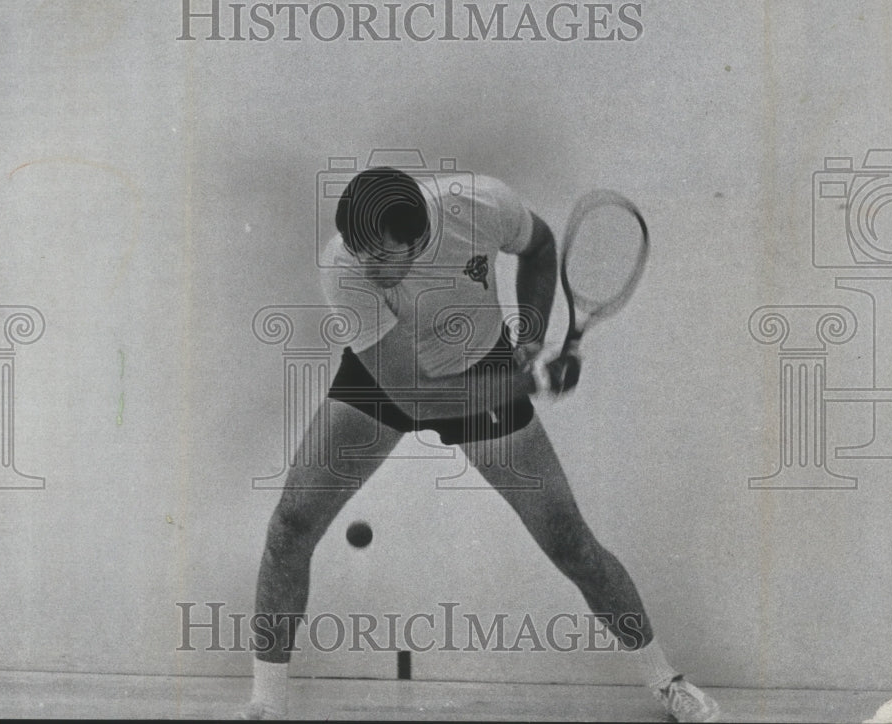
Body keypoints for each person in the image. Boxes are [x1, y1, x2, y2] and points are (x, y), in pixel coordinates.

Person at [237, 166, 720, 723]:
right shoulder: (344, 265)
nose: (367, 266)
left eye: (381, 254)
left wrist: (533, 332)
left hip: (482, 369)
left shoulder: (482, 205)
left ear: (418, 238)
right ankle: (266, 706)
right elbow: (413, 395)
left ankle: (667, 682)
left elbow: (538, 247)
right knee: (291, 526)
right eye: (359, 250)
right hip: (387, 376)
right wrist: (535, 381)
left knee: (569, 540)